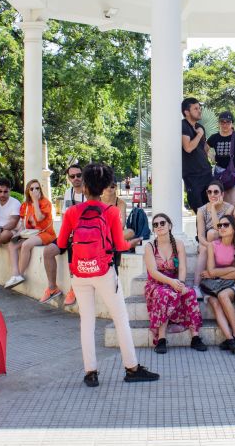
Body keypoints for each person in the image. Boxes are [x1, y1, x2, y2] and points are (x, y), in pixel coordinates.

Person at [55, 162, 159, 386]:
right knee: (120, 319)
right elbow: (120, 245)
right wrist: (134, 240)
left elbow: (62, 243)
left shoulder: (72, 212)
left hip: (80, 272)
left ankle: (90, 372)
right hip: (104, 272)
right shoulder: (110, 211)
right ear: (103, 187)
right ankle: (131, 368)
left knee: (87, 322)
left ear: (85, 185)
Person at [143, 213, 206, 353]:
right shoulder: (149, 247)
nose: (159, 226)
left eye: (162, 223)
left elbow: (182, 267)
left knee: (189, 293)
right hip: (156, 284)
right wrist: (172, 283)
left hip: (174, 281)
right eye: (156, 224)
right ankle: (161, 338)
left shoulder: (178, 244)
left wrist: (181, 284)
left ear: (169, 226)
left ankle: (195, 337)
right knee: (164, 294)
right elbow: (153, 272)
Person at [199, 213, 235, 354]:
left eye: (226, 225)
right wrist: (231, 268)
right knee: (215, 302)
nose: (222, 228)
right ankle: (231, 339)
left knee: (223, 296)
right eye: (220, 225)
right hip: (212, 284)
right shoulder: (212, 245)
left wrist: (223, 272)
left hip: (233, 283)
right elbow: (211, 272)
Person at [41, 164, 85, 307]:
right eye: (72, 176)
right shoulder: (69, 193)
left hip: (84, 236)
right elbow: (66, 216)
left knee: (75, 251)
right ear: (69, 178)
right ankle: (52, 288)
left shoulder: (90, 191)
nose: (76, 178)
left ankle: (75, 288)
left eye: (79, 175)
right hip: (70, 233)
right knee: (48, 251)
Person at [4, 179, 56, 290]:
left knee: (26, 245)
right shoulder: (25, 205)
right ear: (28, 191)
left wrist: (36, 201)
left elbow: (39, 217)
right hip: (30, 234)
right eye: (32, 188)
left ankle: (19, 275)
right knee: (12, 245)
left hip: (45, 233)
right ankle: (15, 274)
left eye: (37, 188)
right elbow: (23, 224)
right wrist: (17, 234)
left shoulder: (45, 202)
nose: (35, 190)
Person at [194, 180, 234, 296]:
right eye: (209, 192)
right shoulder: (201, 210)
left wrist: (213, 209)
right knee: (205, 247)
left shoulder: (229, 208)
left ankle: (211, 277)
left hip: (225, 239)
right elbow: (200, 235)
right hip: (207, 242)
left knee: (212, 233)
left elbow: (220, 229)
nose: (212, 195)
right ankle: (196, 286)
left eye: (216, 192)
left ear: (222, 194)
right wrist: (210, 246)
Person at [206, 111, 235, 205]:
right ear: (218, 123)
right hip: (220, 174)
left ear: (232, 123)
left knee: (233, 204)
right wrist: (212, 157)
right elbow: (203, 149)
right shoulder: (214, 137)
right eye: (222, 121)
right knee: (223, 206)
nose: (225, 124)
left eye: (228, 122)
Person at [181, 97, 213, 213]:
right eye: (195, 108)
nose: (199, 111)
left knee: (210, 211)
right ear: (186, 112)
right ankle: (201, 232)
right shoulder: (183, 126)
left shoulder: (200, 127)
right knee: (200, 211)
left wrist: (213, 155)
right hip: (192, 176)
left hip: (207, 173)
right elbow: (188, 148)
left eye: (200, 108)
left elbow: (203, 149)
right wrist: (199, 135)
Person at [102, 181, 144, 249]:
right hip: (99, 232)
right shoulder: (97, 200)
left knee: (130, 232)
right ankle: (109, 242)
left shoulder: (121, 203)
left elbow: (122, 225)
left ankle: (106, 242)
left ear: (116, 187)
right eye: (106, 186)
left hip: (113, 233)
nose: (109, 188)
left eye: (112, 186)